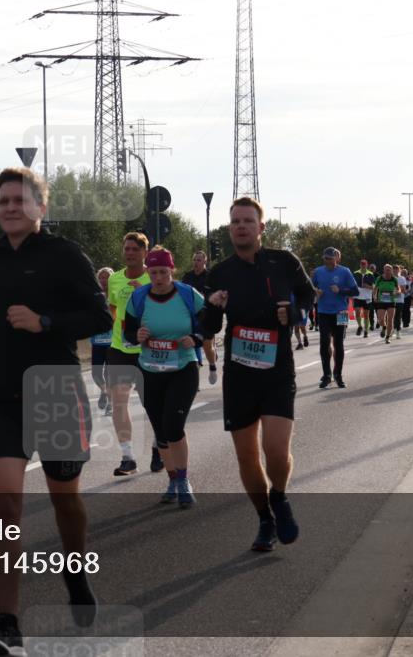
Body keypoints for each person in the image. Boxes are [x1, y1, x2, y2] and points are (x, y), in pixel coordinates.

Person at [0, 167, 111, 657]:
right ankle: (8, 623)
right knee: (4, 510)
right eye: (2, 201)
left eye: (19, 200)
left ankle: (75, 567)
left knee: (65, 500)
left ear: (40, 208)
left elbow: (98, 318)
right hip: (2, 397)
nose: (9, 207)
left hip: (55, 391)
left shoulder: (66, 255)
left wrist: (44, 321)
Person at [201, 197, 315, 552]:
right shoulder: (219, 273)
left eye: (248, 220)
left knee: (276, 450)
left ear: (261, 227)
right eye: (235, 221)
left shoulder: (284, 262)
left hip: (277, 369)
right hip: (240, 373)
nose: (240, 226)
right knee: (247, 456)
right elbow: (206, 326)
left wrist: (293, 314)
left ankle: (279, 496)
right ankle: (265, 518)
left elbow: (308, 297)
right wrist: (212, 307)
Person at [124, 247, 204, 507]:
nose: (158, 277)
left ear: (172, 271)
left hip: (183, 366)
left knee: (173, 425)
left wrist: (196, 338)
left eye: (164, 272)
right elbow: (128, 332)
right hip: (149, 370)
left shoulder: (188, 295)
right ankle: (172, 479)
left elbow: (208, 323)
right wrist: (137, 336)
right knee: (160, 430)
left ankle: (183, 479)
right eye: (154, 272)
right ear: (147, 272)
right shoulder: (138, 297)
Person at [106, 232, 161, 475]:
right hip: (120, 349)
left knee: (153, 404)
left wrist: (145, 294)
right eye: (126, 249)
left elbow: (164, 309)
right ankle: (127, 457)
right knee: (118, 402)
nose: (129, 253)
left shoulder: (154, 277)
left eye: (134, 249)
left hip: (149, 349)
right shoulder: (115, 279)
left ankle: (158, 446)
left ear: (144, 253)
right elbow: (113, 308)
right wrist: (119, 327)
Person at [310, 247, 359, 388]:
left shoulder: (345, 271)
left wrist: (341, 290)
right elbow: (310, 289)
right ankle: (326, 375)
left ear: (336, 258)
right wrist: (316, 292)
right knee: (324, 343)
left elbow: (355, 291)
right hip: (323, 312)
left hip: (341, 312)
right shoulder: (319, 272)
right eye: (325, 258)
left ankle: (338, 375)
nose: (327, 261)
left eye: (330, 258)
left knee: (339, 344)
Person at [180, 250, 219, 385]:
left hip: (206, 315)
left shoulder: (210, 276)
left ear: (204, 262)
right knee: (188, 344)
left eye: (199, 260)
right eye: (194, 260)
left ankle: (212, 367)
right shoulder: (187, 277)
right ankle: (192, 376)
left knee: (207, 346)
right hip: (191, 316)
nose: (196, 263)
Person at [91, 268, 114, 415]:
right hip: (97, 341)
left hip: (112, 341)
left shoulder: (115, 296)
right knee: (96, 372)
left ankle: (110, 404)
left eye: (107, 278)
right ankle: (104, 391)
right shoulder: (94, 296)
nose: (104, 280)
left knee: (110, 373)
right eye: (101, 278)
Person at [373, 264, 400, 343]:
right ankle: (384, 327)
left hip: (391, 301)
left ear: (391, 271)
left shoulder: (394, 279)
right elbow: (375, 288)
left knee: (390, 319)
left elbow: (398, 289)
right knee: (381, 319)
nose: (387, 271)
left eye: (388, 270)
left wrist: (397, 292)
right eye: (385, 270)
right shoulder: (380, 278)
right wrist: (374, 296)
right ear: (383, 270)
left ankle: (387, 337)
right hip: (381, 301)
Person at [353, 259, 375, 337]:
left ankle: (366, 330)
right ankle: (360, 326)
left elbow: (373, 287)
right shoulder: (355, 273)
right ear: (360, 265)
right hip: (357, 296)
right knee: (357, 312)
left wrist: (368, 286)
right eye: (362, 264)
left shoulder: (370, 274)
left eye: (364, 264)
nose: (363, 265)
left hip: (367, 297)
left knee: (366, 315)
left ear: (367, 265)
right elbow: (352, 284)